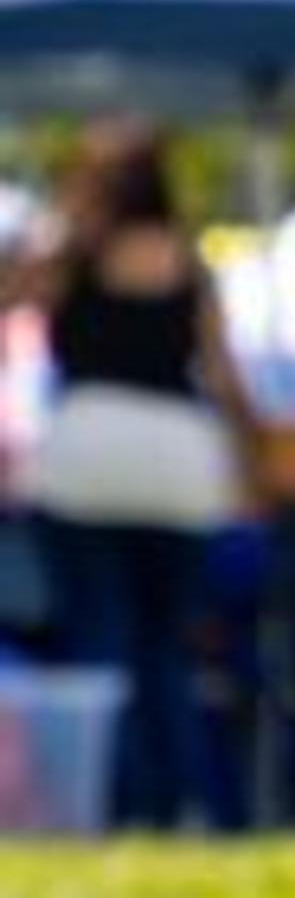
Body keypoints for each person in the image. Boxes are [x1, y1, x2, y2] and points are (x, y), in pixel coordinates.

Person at [14, 120, 257, 830]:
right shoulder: (189, 263)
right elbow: (225, 377)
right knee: (166, 648)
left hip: (89, 456)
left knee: (101, 642)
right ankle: (178, 803)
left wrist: (60, 224)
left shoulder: (72, 255)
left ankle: (115, 804)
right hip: (180, 465)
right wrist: (252, 469)